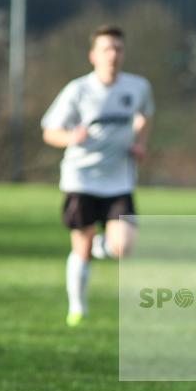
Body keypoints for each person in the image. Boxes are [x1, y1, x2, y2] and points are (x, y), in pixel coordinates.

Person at [42, 25, 154, 327]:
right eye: (106, 48)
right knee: (80, 247)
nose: (113, 54)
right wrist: (70, 137)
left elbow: (145, 115)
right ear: (93, 55)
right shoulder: (77, 90)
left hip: (119, 180)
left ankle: (99, 244)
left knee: (124, 246)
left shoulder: (137, 87)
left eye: (118, 48)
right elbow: (50, 131)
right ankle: (77, 309)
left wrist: (140, 143)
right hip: (82, 179)